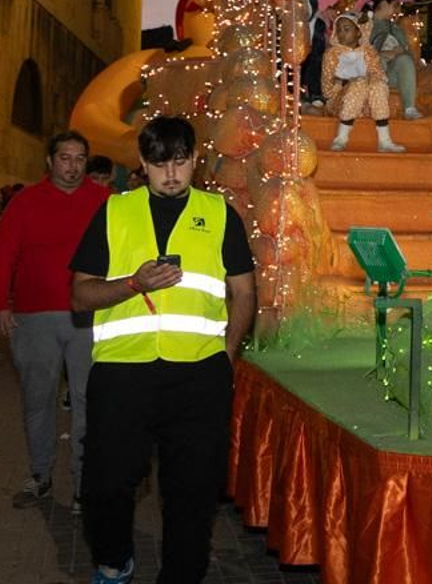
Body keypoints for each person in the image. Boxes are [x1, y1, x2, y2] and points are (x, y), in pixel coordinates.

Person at [70, 116, 256, 584]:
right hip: (122, 373)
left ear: (196, 160)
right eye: (158, 163)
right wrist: (134, 284)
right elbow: (81, 295)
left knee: (193, 493)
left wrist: (226, 357)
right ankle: (114, 561)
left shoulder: (219, 214)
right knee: (104, 486)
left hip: (198, 376)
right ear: (143, 164)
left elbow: (245, 293)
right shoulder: (115, 212)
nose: (170, 173)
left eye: (179, 161)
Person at [0, 129, 109, 511]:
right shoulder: (25, 203)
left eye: (79, 159)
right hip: (34, 315)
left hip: (89, 317)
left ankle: (84, 482)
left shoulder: (106, 202)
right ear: (50, 161)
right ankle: (40, 474)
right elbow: (3, 255)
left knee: (90, 400)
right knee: (38, 399)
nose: (72, 167)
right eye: (64, 158)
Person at [321, 14, 405, 153]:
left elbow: (379, 75)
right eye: (339, 30)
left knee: (377, 85)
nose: (341, 33)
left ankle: (385, 141)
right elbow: (327, 91)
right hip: (340, 103)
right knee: (359, 84)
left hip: (367, 105)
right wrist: (341, 83)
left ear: (358, 31)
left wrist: (368, 79)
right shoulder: (332, 54)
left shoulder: (368, 52)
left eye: (346, 29)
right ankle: (341, 138)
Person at [369, 0, 423, 120]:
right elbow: (358, 54)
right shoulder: (365, 25)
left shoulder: (396, 29)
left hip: (390, 74)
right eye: (395, 5)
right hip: (370, 75)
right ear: (384, 4)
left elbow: (408, 55)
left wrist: (399, 53)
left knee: (404, 60)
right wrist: (386, 54)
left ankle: (409, 108)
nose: (397, 10)